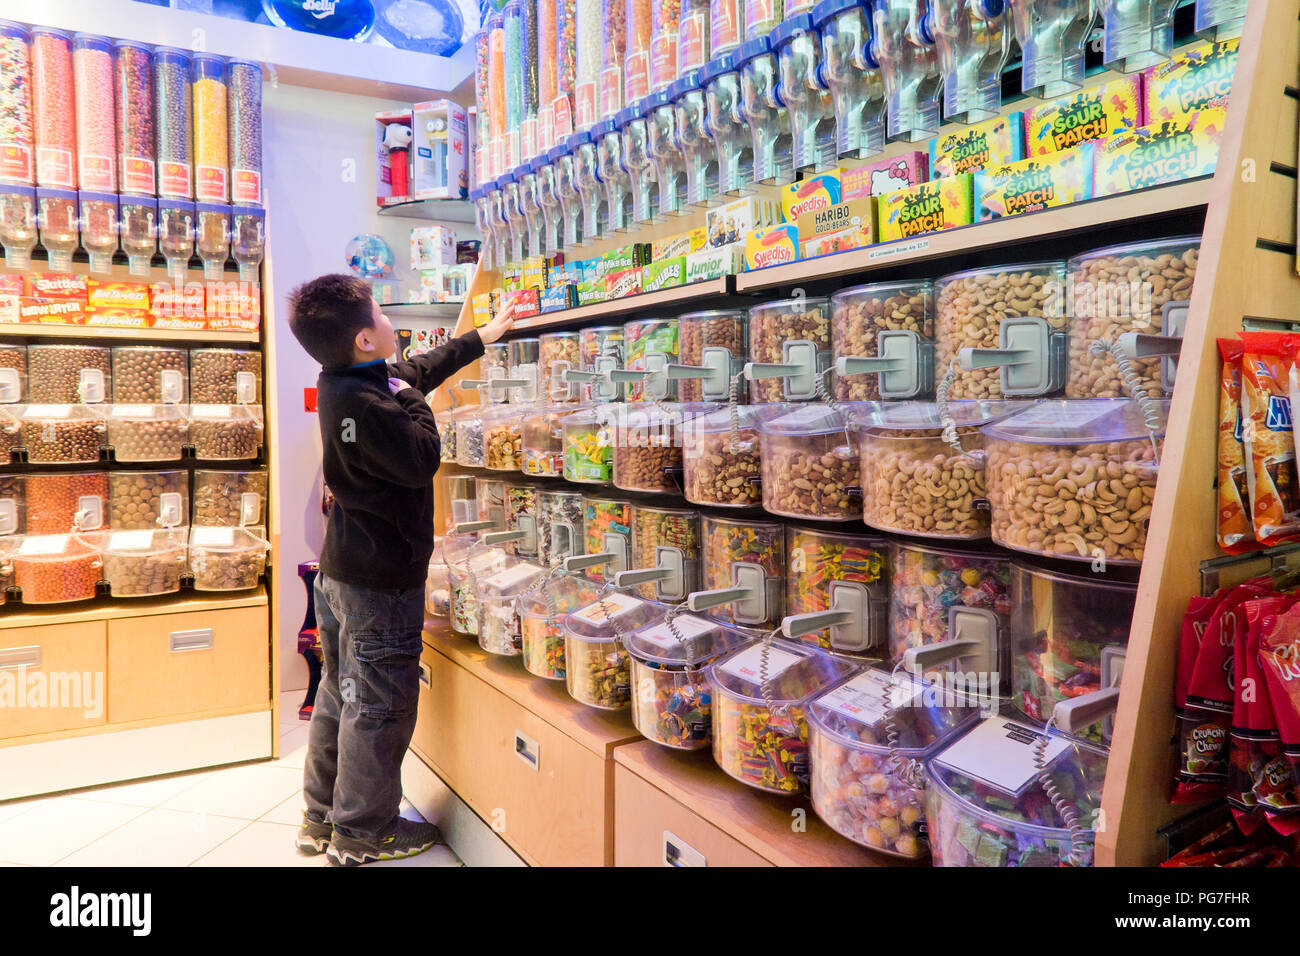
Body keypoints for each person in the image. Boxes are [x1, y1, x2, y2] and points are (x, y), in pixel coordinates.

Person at [286, 273, 516, 866]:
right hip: (379, 582)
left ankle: (322, 818)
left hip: (344, 573)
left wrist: (478, 339)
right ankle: (365, 834)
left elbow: (409, 374)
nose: (395, 326)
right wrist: (415, 400)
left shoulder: (344, 380)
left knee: (342, 692)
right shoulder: (370, 402)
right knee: (380, 705)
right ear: (365, 340)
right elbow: (421, 456)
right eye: (384, 319)